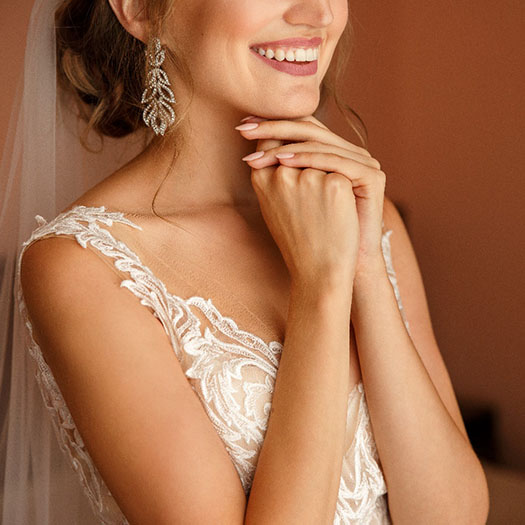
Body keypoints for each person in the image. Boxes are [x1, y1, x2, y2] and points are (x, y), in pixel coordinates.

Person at [0, 0, 490, 523]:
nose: (319, 13)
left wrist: (363, 265)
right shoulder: (83, 266)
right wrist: (321, 287)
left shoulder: (371, 216)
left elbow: (455, 515)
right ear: (140, 10)